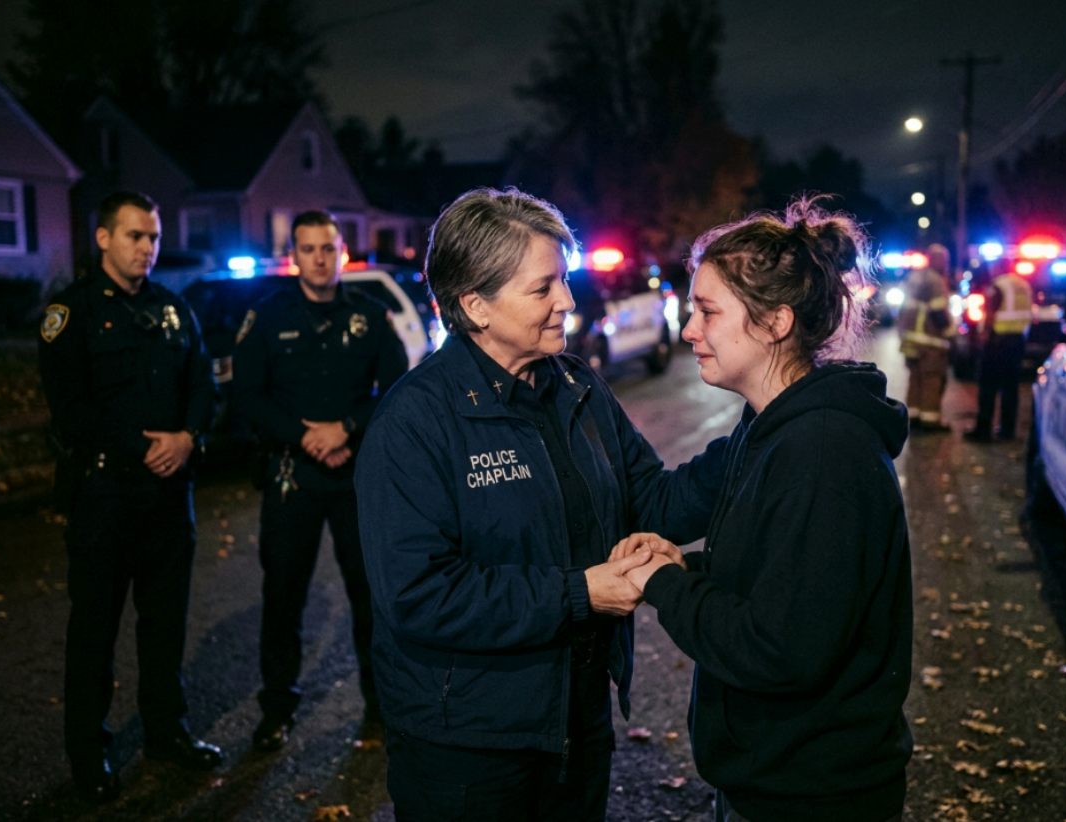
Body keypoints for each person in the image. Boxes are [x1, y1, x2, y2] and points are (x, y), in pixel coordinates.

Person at [355, 187, 727, 821]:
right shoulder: (415, 422)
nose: (567, 302)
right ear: (474, 305)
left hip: (577, 721)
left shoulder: (576, 386)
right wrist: (581, 594)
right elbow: (418, 594)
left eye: (564, 280)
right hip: (470, 749)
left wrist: (764, 426)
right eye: (543, 288)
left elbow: (654, 500)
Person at [612, 200, 913, 822]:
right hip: (772, 781)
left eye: (708, 311)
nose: (690, 329)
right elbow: (672, 506)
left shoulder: (823, 452)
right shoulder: (770, 426)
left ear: (776, 321)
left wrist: (666, 583)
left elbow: (778, 650)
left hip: (813, 796)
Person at [38, 191, 223, 803]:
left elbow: (203, 385)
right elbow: (70, 409)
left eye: (153, 237)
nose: (147, 248)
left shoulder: (173, 311)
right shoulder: (72, 313)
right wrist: (141, 446)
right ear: (103, 239)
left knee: (164, 624)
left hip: (170, 496)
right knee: (95, 627)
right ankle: (89, 755)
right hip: (105, 495)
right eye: (134, 236)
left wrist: (188, 436)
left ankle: (167, 732)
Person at [232, 210, 408, 752]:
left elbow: (398, 391)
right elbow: (246, 397)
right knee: (283, 597)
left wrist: (346, 429)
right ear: (294, 256)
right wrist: (304, 436)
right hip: (293, 478)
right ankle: (277, 711)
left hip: (357, 478)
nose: (319, 258)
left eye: (328, 248)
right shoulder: (265, 318)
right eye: (308, 249)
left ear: (342, 252)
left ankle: (383, 710)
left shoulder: (372, 317)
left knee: (372, 597)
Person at [965, 265, 1033, 442]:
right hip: (1017, 342)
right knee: (1010, 388)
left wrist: (983, 335)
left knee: (988, 387)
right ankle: (1007, 430)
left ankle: (983, 430)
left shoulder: (998, 286)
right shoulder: (1023, 285)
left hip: (997, 343)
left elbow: (990, 313)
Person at [897, 242, 953, 431]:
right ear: (936, 260)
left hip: (911, 338)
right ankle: (930, 422)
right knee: (932, 379)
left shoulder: (914, 277)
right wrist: (950, 333)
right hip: (929, 339)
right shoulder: (935, 280)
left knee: (915, 378)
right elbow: (938, 312)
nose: (946, 264)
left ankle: (913, 417)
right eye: (944, 260)